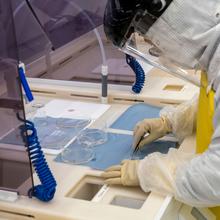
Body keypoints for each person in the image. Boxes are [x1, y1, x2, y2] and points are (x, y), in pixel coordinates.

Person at [101, 0, 220, 217]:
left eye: (150, 36)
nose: (156, 48)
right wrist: (172, 122)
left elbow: (216, 179)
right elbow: (212, 97)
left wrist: (149, 172)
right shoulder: (214, 49)